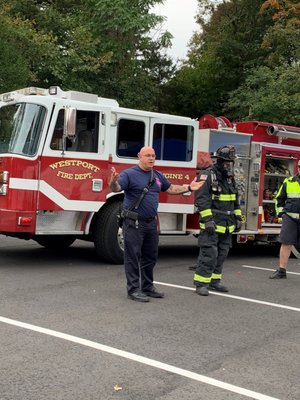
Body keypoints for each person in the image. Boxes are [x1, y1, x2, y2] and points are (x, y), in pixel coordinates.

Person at [109, 146, 204, 302]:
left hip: (151, 223)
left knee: (150, 256)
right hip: (134, 223)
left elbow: (171, 188)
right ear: (139, 156)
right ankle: (133, 290)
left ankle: (147, 286)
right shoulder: (129, 174)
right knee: (133, 257)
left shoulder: (157, 175)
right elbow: (116, 187)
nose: (151, 158)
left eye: (153, 155)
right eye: (147, 155)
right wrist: (113, 182)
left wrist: (189, 187)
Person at [193, 145, 242, 296]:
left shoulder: (230, 178)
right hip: (212, 223)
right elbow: (201, 199)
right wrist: (207, 220)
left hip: (227, 224)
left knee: (222, 253)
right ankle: (201, 283)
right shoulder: (207, 175)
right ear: (219, 161)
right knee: (209, 253)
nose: (229, 165)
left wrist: (238, 217)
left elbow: (235, 200)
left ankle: (214, 281)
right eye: (227, 162)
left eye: (231, 162)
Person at [269, 160, 300, 279]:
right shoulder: (289, 181)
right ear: (298, 168)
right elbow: (279, 199)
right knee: (286, 243)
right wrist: (281, 213)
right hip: (290, 218)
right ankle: (281, 271)